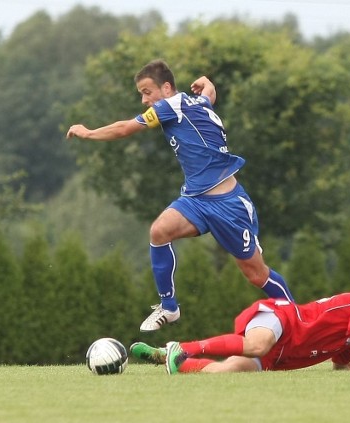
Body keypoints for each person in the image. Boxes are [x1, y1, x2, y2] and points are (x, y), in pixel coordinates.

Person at [67, 59, 295, 332]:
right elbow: (208, 96)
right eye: (141, 93)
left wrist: (88, 132)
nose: (143, 100)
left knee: (256, 274)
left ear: (165, 88)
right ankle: (169, 307)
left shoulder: (169, 107)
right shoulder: (194, 103)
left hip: (229, 205)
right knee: (159, 231)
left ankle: (301, 321)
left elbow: (125, 128)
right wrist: (209, 84)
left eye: (147, 92)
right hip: (196, 200)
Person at [130, 284, 350, 374]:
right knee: (257, 345)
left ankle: (166, 358)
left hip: (280, 353)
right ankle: (182, 347)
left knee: (225, 371)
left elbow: (342, 366)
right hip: (283, 319)